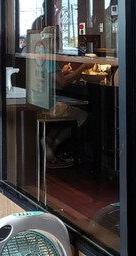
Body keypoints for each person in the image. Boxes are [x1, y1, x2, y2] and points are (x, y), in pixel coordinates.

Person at [36, 26, 92, 168]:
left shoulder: (39, 54)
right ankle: (53, 144)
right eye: (58, 41)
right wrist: (82, 68)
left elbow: (55, 79)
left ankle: (48, 141)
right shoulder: (49, 57)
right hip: (48, 105)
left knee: (67, 111)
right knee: (83, 115)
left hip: (38, 102)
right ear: (53, 41)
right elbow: (62, 83)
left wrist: (64, 72)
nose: (59, 44)